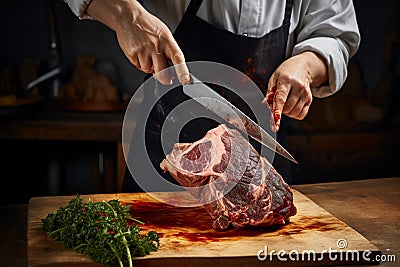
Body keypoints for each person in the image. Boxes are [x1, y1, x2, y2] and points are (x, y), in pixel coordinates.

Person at [63, 0, 360, 189]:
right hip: (161, 169)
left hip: (259, 174)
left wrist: (306, 65)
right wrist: (127, 15)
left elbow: (336, 35)